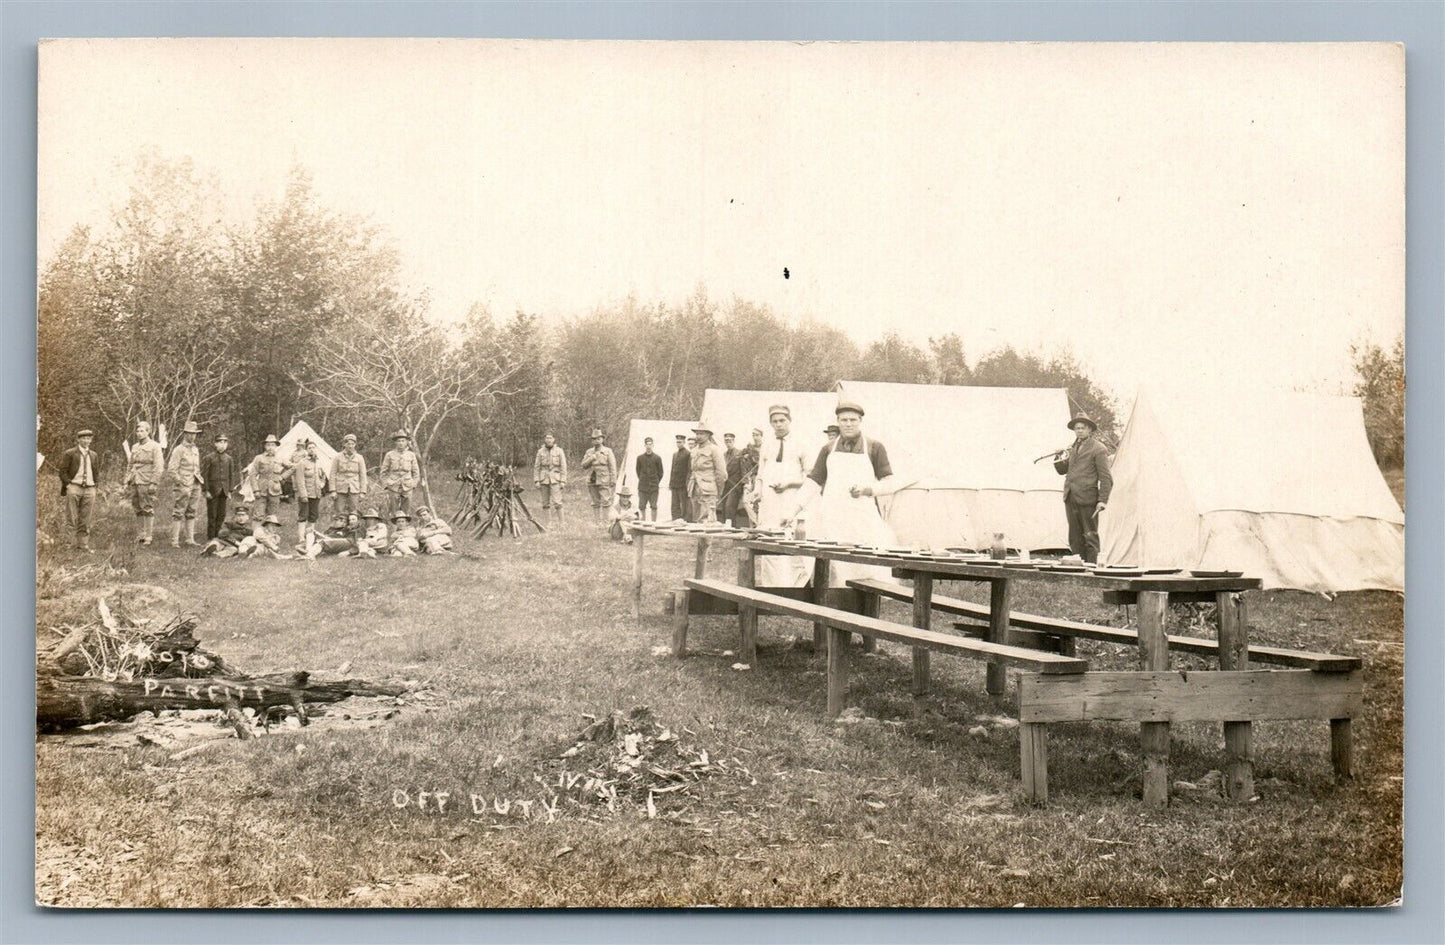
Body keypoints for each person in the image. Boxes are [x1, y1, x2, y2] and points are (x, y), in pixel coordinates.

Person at [785, 400, 901, 586]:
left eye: (853, 420)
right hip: (833, 516)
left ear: (860, 421)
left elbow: (890, 482)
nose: (848, 424)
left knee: (864, 563)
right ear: (838, 421)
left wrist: (868, 489)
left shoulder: (874, 447)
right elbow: (814, 481)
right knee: (835, 564)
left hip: (862, 516)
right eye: (844, 420)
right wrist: (793, 511)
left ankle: (865, 600)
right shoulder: (828, 449)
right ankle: (834, 601)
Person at [755, 405, 813, 586]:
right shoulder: (767, 444)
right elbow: (760, 473)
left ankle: (794, 584)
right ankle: (772, 584)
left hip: (792, 500)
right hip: (769, 502)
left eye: (782, 421)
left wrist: (789, 483)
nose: (779, 425)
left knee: (791, 537)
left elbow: (811, 477)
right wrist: (757, 489)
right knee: (769, 537)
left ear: (790, 420)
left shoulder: (801, 443)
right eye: (775, 421)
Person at [1053, 412, 1113, 564]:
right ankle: (1077, 568)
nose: (1079, 430)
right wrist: (1058, 456)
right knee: (1074, 536)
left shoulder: (1099, 449)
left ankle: (1091, 569)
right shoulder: (1072, 448)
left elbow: (1106, 477)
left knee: (1090, 536)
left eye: (1083, 428)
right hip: (1070, 496)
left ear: (1090, 430)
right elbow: (1062, 470)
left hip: (1088, 499)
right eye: (1077, 428)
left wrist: (1102, 500)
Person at [123, 420, 165, 545]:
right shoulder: (135, 447)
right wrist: (126, 480)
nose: (139, 433)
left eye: (142, 431)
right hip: (135, 480)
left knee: (147, 507)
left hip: (147, 481)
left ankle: (148, 536)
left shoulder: (155, 446)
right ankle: (140, 534)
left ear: (148, 432)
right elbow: (131, 465)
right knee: (137, 507)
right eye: (138, 431)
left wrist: (154, 482)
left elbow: (158, 466)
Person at [58, 428, 100, 552]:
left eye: (88, 438)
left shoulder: (94, 455)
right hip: (74, 487)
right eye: (83, 438)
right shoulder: (70, 453)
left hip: (90, 489)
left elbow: (96, 472)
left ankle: (83, 545)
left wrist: (95, 485)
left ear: (91, 440)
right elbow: (62, 472)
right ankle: (68, 544)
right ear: (78, 440)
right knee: (71, 516)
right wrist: (68, 485)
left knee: (86, 518)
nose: (86, 440)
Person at [246, 434, 295, 529]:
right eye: (268, 445)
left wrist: (282, 477)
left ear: (276, 446)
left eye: (272, 445)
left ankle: (270, 536)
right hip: (261, 490)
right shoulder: (259, 458)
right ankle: (256, 536)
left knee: (272, 516)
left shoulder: (280, 458)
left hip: (275, 490)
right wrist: (256, 490)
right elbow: (252, 475)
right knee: (258, 515)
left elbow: (293, 467)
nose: (270, 447)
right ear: (265, 446)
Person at [201, 433, 240, 542]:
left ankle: (218, 537)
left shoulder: (229, 459)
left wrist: (230, 490)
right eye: (220, 442)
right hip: (213, 491)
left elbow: (231, 475)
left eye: (224, 442)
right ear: (215, 444)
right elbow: (204, 475)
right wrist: (206, 490)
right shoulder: (209, 458)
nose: (222, 445)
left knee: (221, 515)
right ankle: (210, 538)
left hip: (224, 491)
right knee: (212, 515)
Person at [687, 425, 729, 524]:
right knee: (698, 520)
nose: (698, 436)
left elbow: (722, 473)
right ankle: (700, 540)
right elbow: (693, 470)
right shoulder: (694, 450)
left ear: (708, 435)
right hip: (695, 488)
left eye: (701, 433)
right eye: (697, 433)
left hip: (708, 489)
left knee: (708, 520)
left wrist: (717, 490)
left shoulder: (714, 449)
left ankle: (708, 540)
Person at [291, 439, 325, 550]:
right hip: (306, 493)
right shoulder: (302, 463)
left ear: (316, 449)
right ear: (306, 450)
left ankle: (310, 535)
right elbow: (299, 480)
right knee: (303, 516)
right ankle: (301, 537)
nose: (312, 449)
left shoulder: (319, 462)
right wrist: (303, 495)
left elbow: (323, 476)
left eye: (313, 447)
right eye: (309, 447)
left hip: (316, 493)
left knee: (313, 516)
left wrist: (322, 484)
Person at [379, 430, 421, 516]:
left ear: (406, 442)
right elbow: (383, 472)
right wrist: (386, 484)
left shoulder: (411, 455)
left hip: (408, 485)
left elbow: (416, 472)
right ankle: (394, 526)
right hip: (393, 485)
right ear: (395, 442)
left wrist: (413, 484)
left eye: (403, 441)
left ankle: (405, 527)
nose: (401, 443)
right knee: (394, 510)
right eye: (398, 441)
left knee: (406, 510)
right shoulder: (389, 455)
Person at [580, 428, 617, 524]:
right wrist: (591, 458)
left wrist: (613, 479)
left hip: (604, 479)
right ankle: (597, 522)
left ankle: (605, 522)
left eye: (598, 438)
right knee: (595, 502)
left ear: (602, 439)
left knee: (606, 501)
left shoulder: (608, 451)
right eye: (594, 439)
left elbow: (612, 466)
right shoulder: (589, 452)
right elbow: (583, 465)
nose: (596, 441)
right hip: (592, 479)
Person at [533, 432, 567, 526]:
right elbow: (536, 467)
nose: (548, 440)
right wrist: (536, 480)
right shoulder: (540, 452)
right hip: (543, 479)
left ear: (554, 439)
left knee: (557, 502)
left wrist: (563, 480)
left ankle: (562, 523)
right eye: (547, 438)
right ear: (545, 439)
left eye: (550, 438)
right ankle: (548, 523)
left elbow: (563, 467)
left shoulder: (559, 451)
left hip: (555, 479)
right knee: (545, 503)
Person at [331, 433, 368, 517]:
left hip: (354, 487)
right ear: (344, 444)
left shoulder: (359, 458)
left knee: (354, 512)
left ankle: (353, 529)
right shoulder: (337, 457)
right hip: (340, 487)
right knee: (339, 512)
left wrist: (363, 492)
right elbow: (332, 474)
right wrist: (333, 490)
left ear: (355, 445)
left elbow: (363, 475)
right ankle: (339, 529)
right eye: (348, 443)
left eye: (352, 444)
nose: (350, 446)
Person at [633, 436, 664, 522]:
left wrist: (655, 482)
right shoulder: (640, 458)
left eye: (650, 444)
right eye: (647, 444)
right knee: (642, 506)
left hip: (654, 487)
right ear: (645, 445)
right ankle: (643, 523)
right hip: (643, 487)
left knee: (654, 506)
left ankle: (653, 524)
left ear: (653, 445)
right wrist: (644, 480)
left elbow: (661, 473)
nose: (648, 446)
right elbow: (638, 471)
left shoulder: (657, 458)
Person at [668, 434, 692, 522]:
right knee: (674, 504)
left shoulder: (687, 454)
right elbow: (672, 469)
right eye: (677, 442)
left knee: (684, 503)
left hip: (682, 484)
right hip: (674, 483)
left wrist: (687, 483)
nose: (678, 443)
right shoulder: (675, 454)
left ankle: (684, 520)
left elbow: (689, 470)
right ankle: (675, 519)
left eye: (680, 442)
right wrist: (670, 483)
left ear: (684, 442)